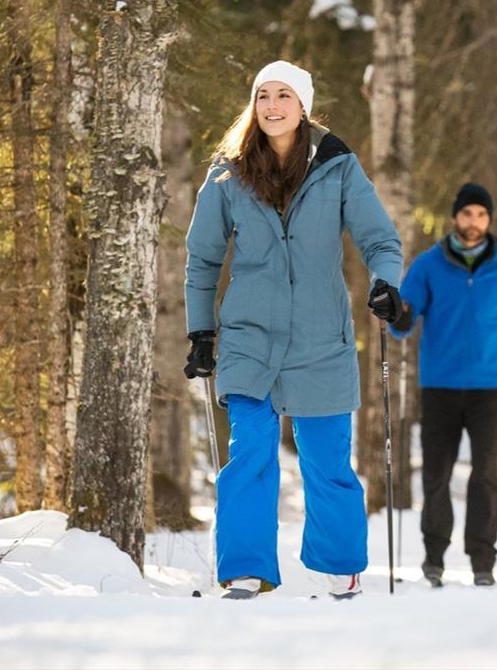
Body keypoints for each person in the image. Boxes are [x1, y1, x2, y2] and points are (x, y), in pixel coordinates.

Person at [183, 60, 404, 600]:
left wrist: (386, 284)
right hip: (249, 336)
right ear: (253, 106)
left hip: (319, 336)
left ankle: (338, 566)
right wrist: (201, 332)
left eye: (284, 95)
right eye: (263, 96)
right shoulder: (227, 173)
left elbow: (380, 241)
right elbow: (202, 259)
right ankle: (244, 568)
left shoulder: (337, 166)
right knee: (251, 453)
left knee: (328, 461)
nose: (273, 106)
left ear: (303, 106)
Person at [390, 182, 497, 588]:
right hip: (439, 385)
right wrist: (396, 315)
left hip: (488, 387)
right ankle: (434, 558)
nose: (474, 222)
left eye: (481, 215)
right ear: (454, 218)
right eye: (467, 214)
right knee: (436, 474)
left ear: (489, 220)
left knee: (484, 474)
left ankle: (483, 561)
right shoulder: (429, 265)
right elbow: (404, 322)